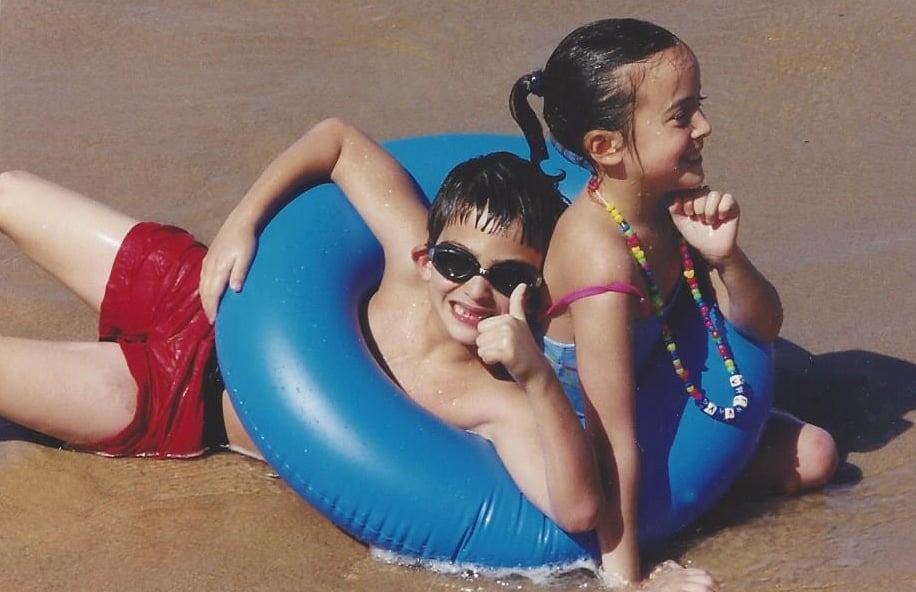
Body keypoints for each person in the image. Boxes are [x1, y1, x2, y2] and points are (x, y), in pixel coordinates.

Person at [0, 118, 603, 534]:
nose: (474, 288)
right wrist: (243, 220)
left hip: (177, 400)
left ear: (535, 292)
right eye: (456, 262)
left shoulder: (494, 400)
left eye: (504, 276)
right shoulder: (405, 249)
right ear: (427, 256)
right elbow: (337, 140)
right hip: (204, 291)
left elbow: (577, 511)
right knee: (12, 190)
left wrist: (538, 378)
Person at [509, 17, 838, 588]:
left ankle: (692, 496)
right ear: (606, 148)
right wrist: (631, 583)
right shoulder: (600, 257)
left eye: (699, 105)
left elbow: (762, 326)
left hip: (651, 383)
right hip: (579, 431)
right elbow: (609, 433)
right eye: (682, 115)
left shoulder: (665, 204)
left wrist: (726, 257)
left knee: (815, 455)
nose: (705, 126)